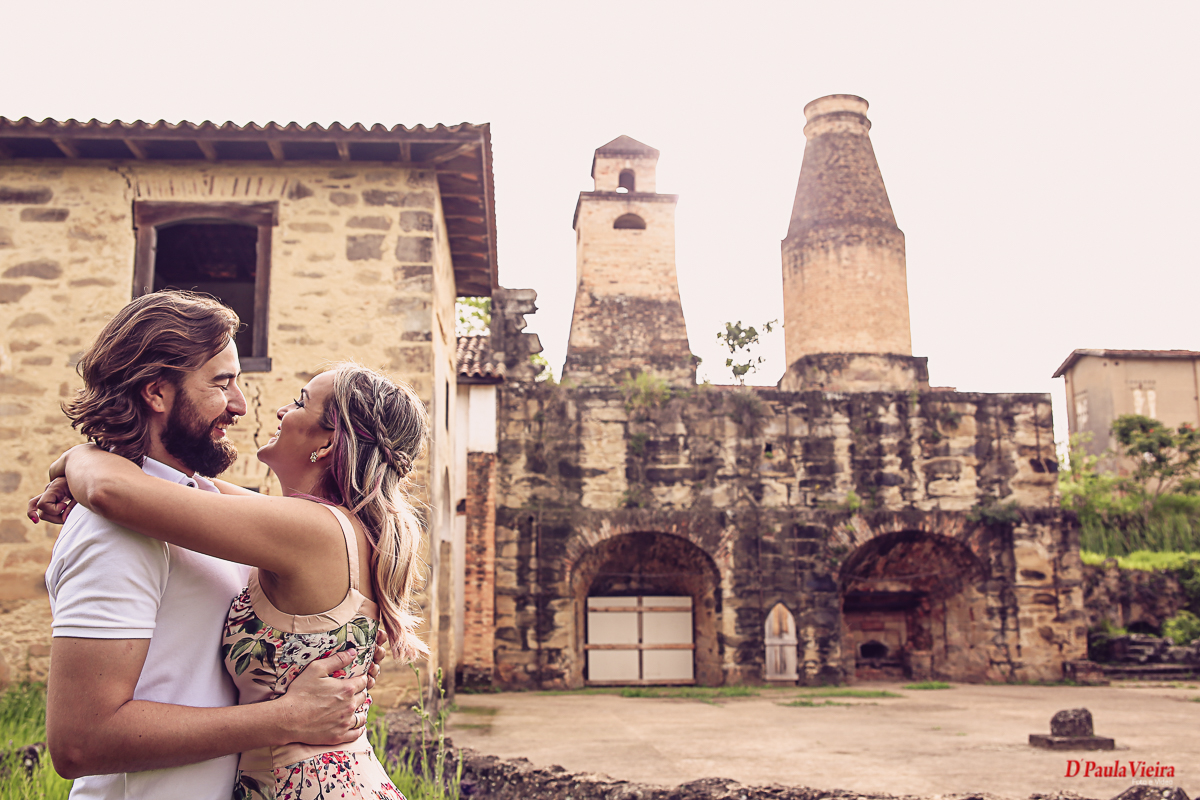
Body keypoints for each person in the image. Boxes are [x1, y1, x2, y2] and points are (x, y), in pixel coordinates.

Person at [26, 291, 401, 799]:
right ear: (156, 394)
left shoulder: (211, 515)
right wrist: (289, 715)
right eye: (223, 383)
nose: (243, 405)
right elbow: (79, 744)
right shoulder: (115, 527)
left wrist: (80, 458)